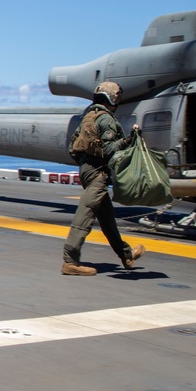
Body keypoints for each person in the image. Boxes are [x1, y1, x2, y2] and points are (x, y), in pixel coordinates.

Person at [61, 81, 146, 276]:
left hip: (86, 170)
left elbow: (73, 147)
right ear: (112, 98)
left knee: (107, 219)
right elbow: (108, 150)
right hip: (97, 173)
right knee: (85, 215)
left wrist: (86, 165)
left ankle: (126, 255)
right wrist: (128, 140)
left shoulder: (88, 117)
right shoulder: (106, 119)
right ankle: (70, 261)